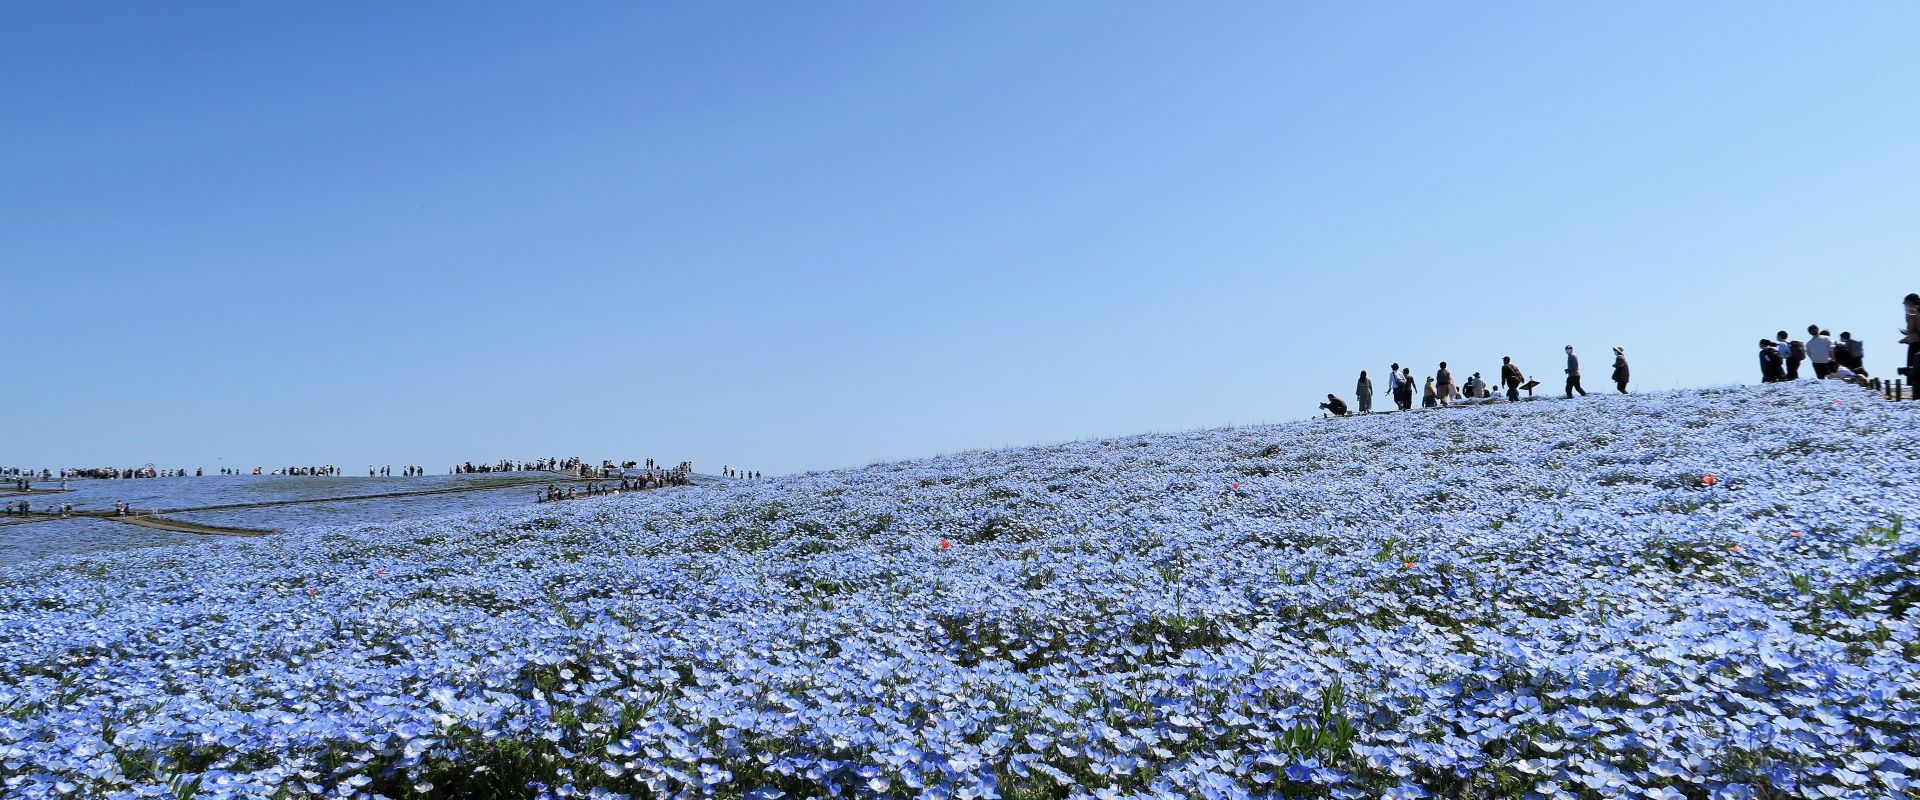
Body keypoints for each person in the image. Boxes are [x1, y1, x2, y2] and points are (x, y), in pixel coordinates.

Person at [1903, 293, 1920, 381]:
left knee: (1913, 374)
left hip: (1915, 346)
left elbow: (1909, 330)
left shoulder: (1911, 312)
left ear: (1909, 302)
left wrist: (1906, 333)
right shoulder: (1918, 311)